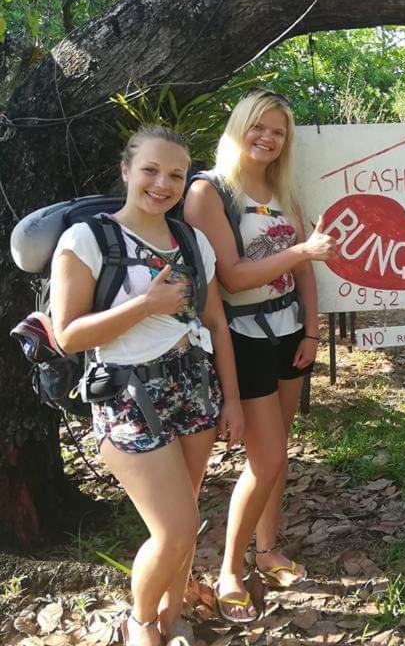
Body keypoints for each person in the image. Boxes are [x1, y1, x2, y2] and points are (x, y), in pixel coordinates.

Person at [50, 125, 244, 646]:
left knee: (189, 511)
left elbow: (217, 324)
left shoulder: (191, 240)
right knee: (176, 528)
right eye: (151, 170)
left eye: (176, 175)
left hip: (193, 384)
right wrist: (146, 304)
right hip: (127, 394)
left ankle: (173, 614)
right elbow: (68, 335)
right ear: (126, 171)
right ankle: (139, 622)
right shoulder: (87, 239)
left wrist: (233, 401)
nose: (163, 183)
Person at [184, 90, 336, 622]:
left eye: (279, 132)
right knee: (266, 458)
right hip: (241, 336)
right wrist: (303, 250)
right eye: (260, 128)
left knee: (280, 450)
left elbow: (303, 272)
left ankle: (268, 549)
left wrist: (312, 332)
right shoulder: (209, 192)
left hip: (288, 330)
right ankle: (230, 568)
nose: (268, 139)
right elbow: (231, 275)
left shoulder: (280, 189)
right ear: (239, 128)